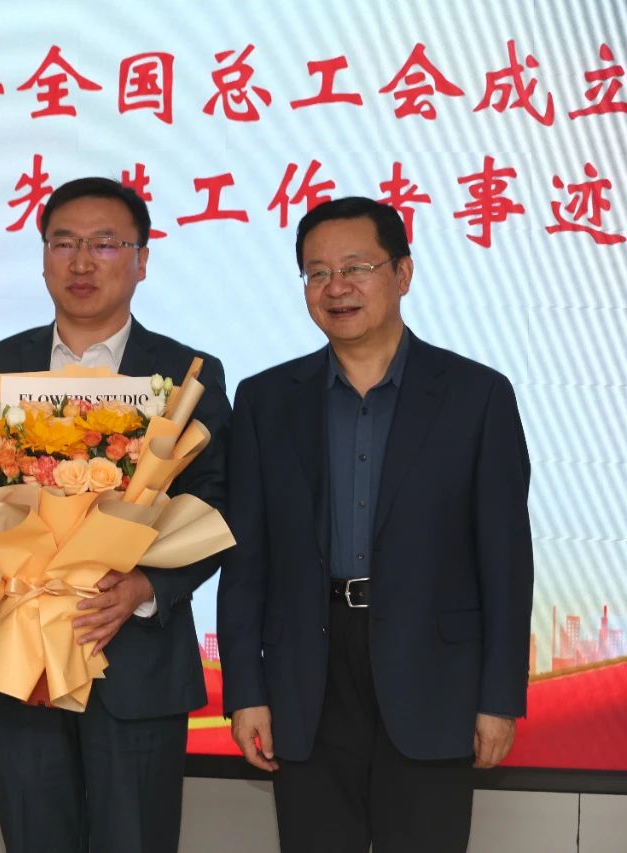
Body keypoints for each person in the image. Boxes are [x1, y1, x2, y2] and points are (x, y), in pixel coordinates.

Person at [218, 197, 534, 853]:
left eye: (356, 267)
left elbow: (506, 561)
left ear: (403, 273)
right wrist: (245, 690)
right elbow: (246, 561)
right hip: (307, 674)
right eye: (317, 273)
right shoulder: (265, 400)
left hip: (434, 676)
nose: (336, 287)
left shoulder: (476, 395)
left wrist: (500, 697)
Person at [0, 177, 232, 853]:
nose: (82, 261)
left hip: (138, 665)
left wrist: (147, 586)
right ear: (43, 258)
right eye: (64, 243)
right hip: (22, 664)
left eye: (105, 244)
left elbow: (218, 501)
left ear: (141, 260)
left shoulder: (187, 374)